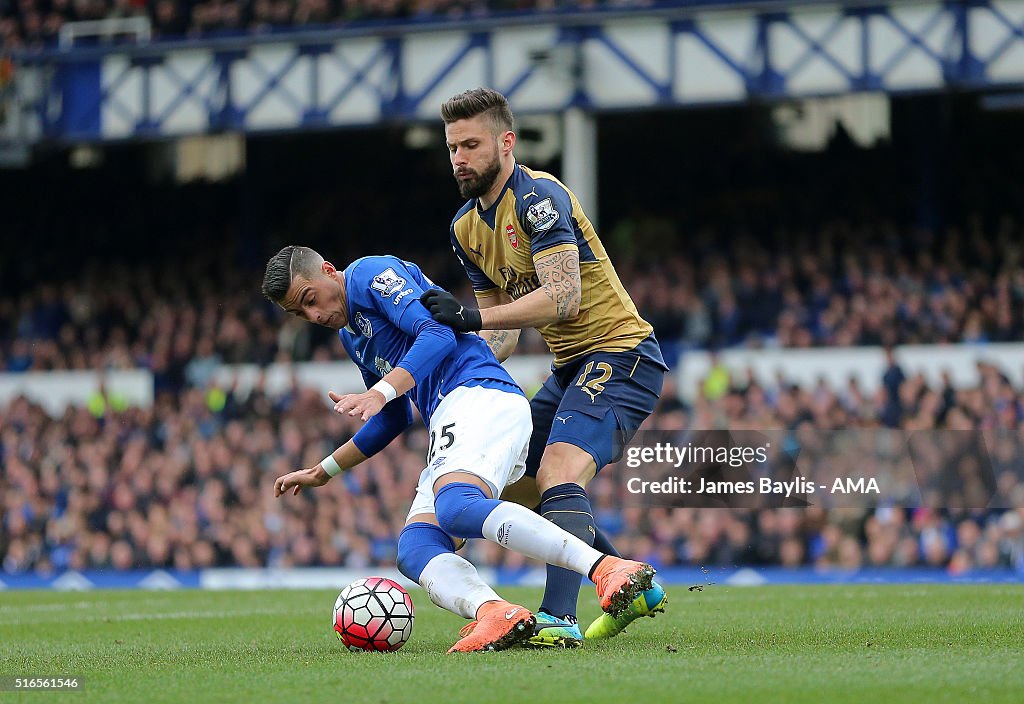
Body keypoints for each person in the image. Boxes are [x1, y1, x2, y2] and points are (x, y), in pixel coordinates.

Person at [262, 245, 656, 654]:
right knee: (416, 547)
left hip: (478, 394)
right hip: (451, 415)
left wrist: (380, 390)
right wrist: (323, 470)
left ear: (328, 270)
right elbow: (393, 417)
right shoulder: (353, 336)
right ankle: (495, 612)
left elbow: (438, 332)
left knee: (457, 506)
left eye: (310, 300)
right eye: (299, 314)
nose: (314, 316)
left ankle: (607, 568)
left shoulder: (367, 274)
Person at [420, 88, 670, 647]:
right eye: (451, 146)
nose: (458, 157)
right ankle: (626, 579)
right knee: (517, 491)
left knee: (558, 472)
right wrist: (453, 373)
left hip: (621, 353)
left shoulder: (539, 198)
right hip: (569, 368)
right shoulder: (465, 228)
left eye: (471, 144)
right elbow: (502, 332)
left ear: (506, 143)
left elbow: (563, 298)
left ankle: (560, 618)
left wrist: (467, 316)